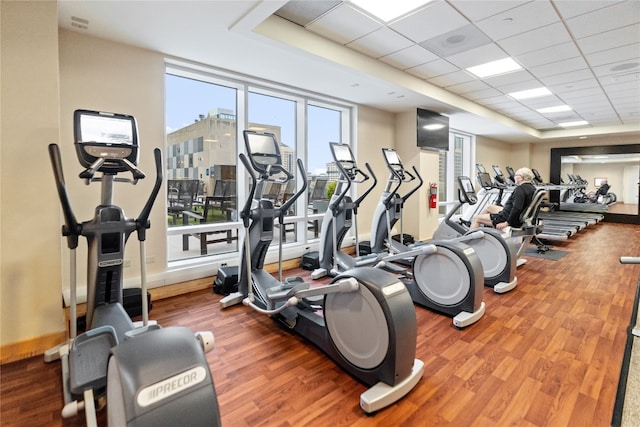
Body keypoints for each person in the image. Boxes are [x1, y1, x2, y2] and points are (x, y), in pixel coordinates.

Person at [470, 167, 537, 230]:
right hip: (512, 213)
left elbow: (517, 208)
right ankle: (486, 227)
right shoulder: (532, 188)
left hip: (507, 218)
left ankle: (470, 239)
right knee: (489, 207)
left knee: (476, 218)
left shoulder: (520, 189)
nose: (514, 177)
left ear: (521, 178)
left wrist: (506, 223)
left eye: (516, 175)